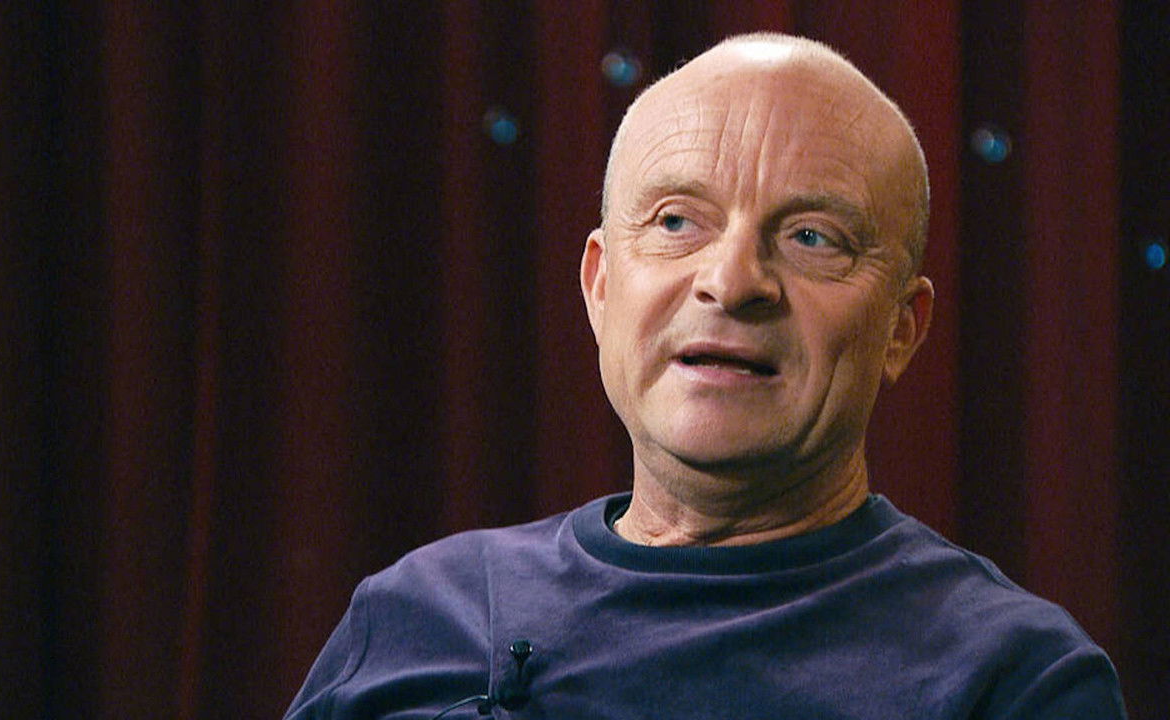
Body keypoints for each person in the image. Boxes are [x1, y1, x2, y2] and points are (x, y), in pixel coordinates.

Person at [285, 33, 1126, 718]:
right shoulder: (418, 614)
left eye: (812, 237)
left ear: (901, 330)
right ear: (601, 287)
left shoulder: (1014, 679)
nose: (732, 281)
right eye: (677, 221)